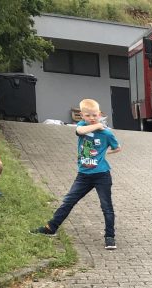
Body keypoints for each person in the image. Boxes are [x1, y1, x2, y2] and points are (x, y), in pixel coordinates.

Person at [31, 98, 121, 250]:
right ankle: (51, 228)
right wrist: (98, 125)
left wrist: (105, 153)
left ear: (99, 114)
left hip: (102, 175)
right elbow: (79, 131)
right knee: (69, 201)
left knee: (106, 206)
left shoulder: (106, 134)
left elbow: (117, 147)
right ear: (82, 115)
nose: (92, 118)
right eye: (88, 115)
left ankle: (110, 236)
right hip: (83, 176)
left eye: (95, 115)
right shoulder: (82, 126)